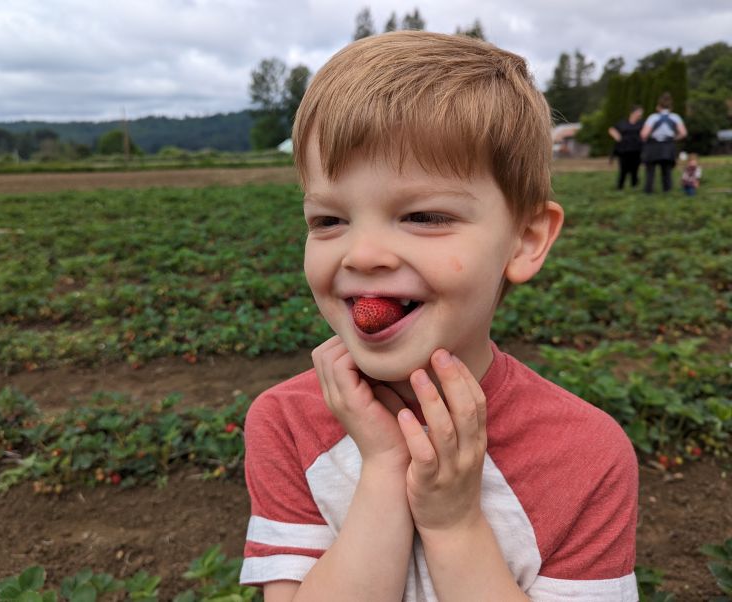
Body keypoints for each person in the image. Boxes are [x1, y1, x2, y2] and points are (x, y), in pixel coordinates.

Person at [240, 32, 638, 601]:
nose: (361, 253)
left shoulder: (585, 455)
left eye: (424, 216)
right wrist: (382, 465)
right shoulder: (285, 424)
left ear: (525, 240)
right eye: (328, 220)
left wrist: (455, 524)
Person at [640, 92, 688, 193]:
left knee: (650, 171)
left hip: (653, 146)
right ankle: (667, 190)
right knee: (667, 170)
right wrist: (674, 138)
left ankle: (648, 191)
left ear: (658, 107)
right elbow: (683, 133)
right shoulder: (675, 117)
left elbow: (644, 134)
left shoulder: (653, 117)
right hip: (668, 146)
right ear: (670, 107)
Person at [608, 105, 644, 189]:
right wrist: (616, 136)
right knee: (623, 169)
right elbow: (611, 129)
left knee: (635, 169)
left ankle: (634, 186)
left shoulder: (642, 123)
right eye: (639, 112)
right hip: (624, 150)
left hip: (636, 150)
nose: (641, 114)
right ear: (633, 113)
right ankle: (620, 186)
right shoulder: (623, 123)